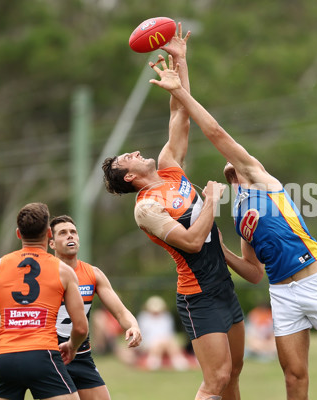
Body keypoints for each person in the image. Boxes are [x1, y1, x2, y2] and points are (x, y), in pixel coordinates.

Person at [147, 54, 317, 400]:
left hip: (315, 277)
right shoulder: (239, 213)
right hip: (282, 292)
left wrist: (182, 87)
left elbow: (215, 132)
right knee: (294, 378)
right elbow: (254, 273)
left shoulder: (259, 177)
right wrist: (220, 248)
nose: (232, 157)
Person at [101, 24, 245, 400]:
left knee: (234, 374)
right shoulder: (147, 207)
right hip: (198, 295)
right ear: (130, 176)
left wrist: (180, 62)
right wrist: (212, 201)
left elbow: (180, 115)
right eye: (127, 157)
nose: (134, 151)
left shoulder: (168, 166)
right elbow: (193, 243)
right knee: (216, 380)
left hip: (223, 286)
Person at [0, 215, 143, 400]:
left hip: (80, 356)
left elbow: (120, 311)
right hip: (47, 357)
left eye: (73, 232)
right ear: (52, 243)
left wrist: (133, 326)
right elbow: (8, 317)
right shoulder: (40, 274)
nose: (70, 236)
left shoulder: (93, 274)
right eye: (63, 233)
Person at [0, 202, 89, 400]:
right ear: (49, 234)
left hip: (6, 359)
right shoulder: (63, 271)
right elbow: (81, 328)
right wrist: (72, 346)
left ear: (18, 234)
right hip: (43, 355)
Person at [136, 295, 191, 371]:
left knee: (166, 341)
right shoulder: (144, 317)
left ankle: (175, 360)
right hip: (149, 342)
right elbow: (143, 334)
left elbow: (169, 332)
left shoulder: (166, 317)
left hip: (165, 341)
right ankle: (173, 361)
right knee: (160, 341)